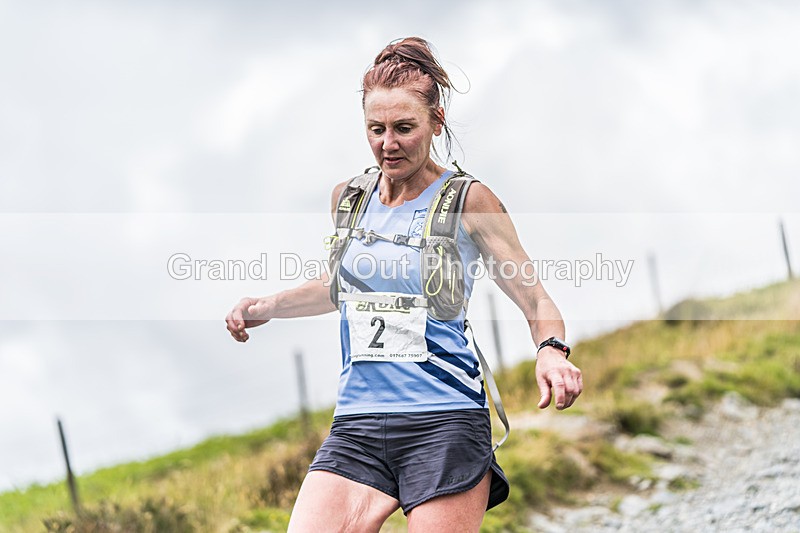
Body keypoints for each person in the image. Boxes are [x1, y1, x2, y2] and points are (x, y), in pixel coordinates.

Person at [225, 37, 583, 533]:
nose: (387, 144)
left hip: (445, 421)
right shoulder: (349, 199)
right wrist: (267, 304)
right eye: (376, 130)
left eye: (403, 128)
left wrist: (550, 350)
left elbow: (533, 294)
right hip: (358, 423)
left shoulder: (469, 200)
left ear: (436, 122)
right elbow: (338, 286)